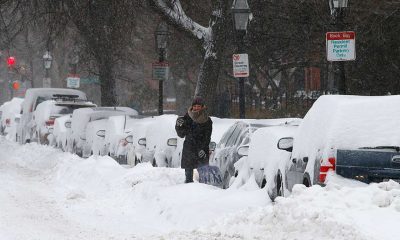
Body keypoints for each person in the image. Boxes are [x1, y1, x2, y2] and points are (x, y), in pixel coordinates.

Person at [175, 96, 213, 183]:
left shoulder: (207, 120)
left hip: (201, 149)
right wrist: (178, 125)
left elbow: (207, 137)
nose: (196, 108)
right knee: (188, 178)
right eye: (195, 106)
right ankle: (189, 193)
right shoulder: (187, 117)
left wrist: (203, 149)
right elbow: (181, 134)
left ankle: (205, 194)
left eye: (198, 106)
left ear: (202, 107)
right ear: (192, 106)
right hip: (189, 149)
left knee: (203, 178)